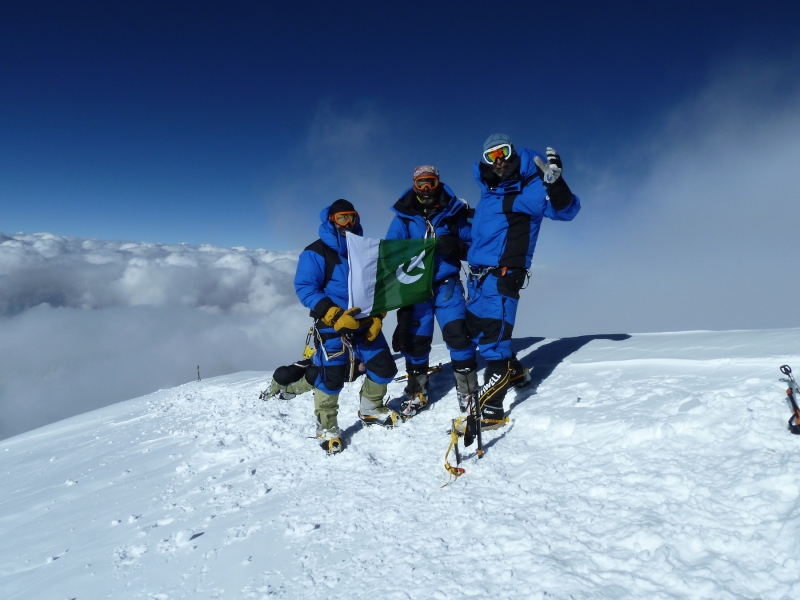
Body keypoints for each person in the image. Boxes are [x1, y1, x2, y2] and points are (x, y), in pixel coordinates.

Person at [465, 133, 581, 434]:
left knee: (494, 342)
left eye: (502, 152)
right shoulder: (488, 195)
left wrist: (556, 184)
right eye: (492, 155)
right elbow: (483, 236)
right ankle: (515, 375)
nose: (499, 160)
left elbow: (567, 211)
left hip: (502, 277)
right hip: (476, 278)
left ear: (512, 152)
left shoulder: (530, 189)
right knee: (479, 331)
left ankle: (491, 408)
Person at [294, 199, 400, 454]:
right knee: (330, 378)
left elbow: (380, 286)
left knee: (384, 368)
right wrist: (332, 313)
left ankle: (371, 409)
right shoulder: (316, 252)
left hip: (365, 325)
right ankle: (327, 426)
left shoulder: (366, 250)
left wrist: (379, 316)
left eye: (352, 217)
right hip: (333, 326)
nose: (348, 223)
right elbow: (306, 287)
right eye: (342, 218)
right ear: (330, 220)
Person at [386, 165, 477, 415]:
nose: (426, 188)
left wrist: (457, 248)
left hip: (446, 285)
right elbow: (391, 255)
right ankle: (417, 392)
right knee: (416, 342)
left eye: (431, 182)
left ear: (438, 183)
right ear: (414, 185)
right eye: (421, 183)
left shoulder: (452, 213)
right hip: (415, 289)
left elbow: (474, 247)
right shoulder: (403, 217)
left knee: (458, 334)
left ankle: (467, 390)